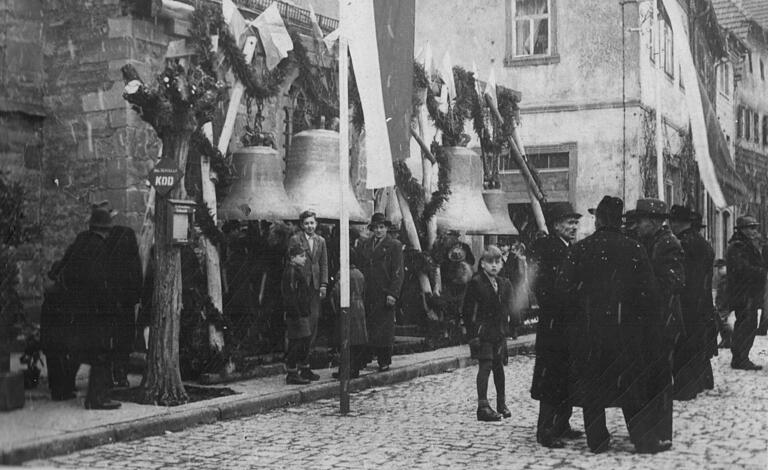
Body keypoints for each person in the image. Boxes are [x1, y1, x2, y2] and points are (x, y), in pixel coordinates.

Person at [557, 195, 664, 454]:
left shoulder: (579, 249)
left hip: (589, 332)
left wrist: (579, 320)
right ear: (620, 221)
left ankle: (597, 440)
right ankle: (643, 439)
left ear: (598, 220)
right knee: (631, 386)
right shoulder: (635, 249)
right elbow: (650, 296)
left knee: (592, 387)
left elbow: (563, 291)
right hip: (626, 333)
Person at [529, 203, 583, 448]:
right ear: (555, 226)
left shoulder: (566, 248)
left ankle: (562, 423)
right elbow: (544, 288)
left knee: (567, 374)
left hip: (565, 324)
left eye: (575, 223)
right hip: (554, 324)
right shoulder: (550, 249)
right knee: (551, 376)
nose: (574, 227)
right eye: (569, 223)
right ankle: (546, 430)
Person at [58, 204, 121, 409]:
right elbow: (101, 282)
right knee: (102, 353)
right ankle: (97, 398)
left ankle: (63, 388)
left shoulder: (80, 242)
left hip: (76, 308)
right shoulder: (100, 248)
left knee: (77, 351)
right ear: (105, 230)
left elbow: (66, 271)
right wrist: (110, 306)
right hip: (97, 310)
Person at [633, 198, 684, 446]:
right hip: (649, 322)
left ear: (653, 221)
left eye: (640, 221)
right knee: (650, 378)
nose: (637, 226)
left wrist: (642, 289)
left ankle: (662, 433)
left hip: (663, 323)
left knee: (661, 380)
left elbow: (673, 283)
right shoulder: (650, 240)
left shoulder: (668, 244)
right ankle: (650, 429)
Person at [462, 245, 513, 422]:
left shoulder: (504, 283)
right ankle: (482, 407)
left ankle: (501, 403)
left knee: (499, 367)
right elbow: (467, 311)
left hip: (498, 332)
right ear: (482, 264)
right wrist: (472, 334)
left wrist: (510, 328)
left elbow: (508, 308)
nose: (494, 265)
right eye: (489, 262)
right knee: (486, 366)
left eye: (497, 262)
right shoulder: (476, 283)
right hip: (483, 333)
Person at [668, 205, 714, 400]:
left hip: (687, 300)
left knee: (684, 344)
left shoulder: (682, 243)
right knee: (696, 343)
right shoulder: (702, 242)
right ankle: (701, 382)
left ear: (676, 223)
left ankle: (684, 389)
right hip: (701, 300)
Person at [356, 213, 404, 372]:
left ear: (387, 229)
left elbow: (398, 272)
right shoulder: (365, 244)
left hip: (385, 292)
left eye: (381, 227)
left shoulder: (394, 245)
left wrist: (393, 293)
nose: (378, 231)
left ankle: (384, 360)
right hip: (368, 291)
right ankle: (364, 358)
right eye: (375, 228)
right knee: (367, 326)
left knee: (384, 328)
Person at [102, 206, 143, 388]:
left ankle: (112, 375)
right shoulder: (129, 248)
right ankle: (121, 374)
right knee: (124, 340)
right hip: (124, 303)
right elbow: (136, 276)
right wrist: (135, 297)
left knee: (112, 340)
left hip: (111, 301)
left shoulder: (107, 251)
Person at [287, 210, 329, 381]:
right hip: (300, 287)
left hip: (315, 287)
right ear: (301, 225)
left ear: (316, 224)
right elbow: (291, 260)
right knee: (300, 327)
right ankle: (293, 367)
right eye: (306, 223)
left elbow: (323, 263)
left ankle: (306, 365)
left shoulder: (321, 241)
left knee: (313, 324)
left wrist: (324, 284)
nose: (310, 226)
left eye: (312, 223)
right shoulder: (295, 239)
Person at [726, 215, 766, 370]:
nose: (754, 231)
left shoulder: (745, 244)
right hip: (743, 293)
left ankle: (741, 357)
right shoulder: (738, 246)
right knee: (746, 325)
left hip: (748, 293)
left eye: (755, 227)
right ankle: (740, 358)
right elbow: (743, 269)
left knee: (748, 325)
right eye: (751, 228)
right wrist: (763, 272)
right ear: (742, 230)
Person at [40, 260, 78, 400]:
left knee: (54, 361)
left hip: (51, 335)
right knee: (59, 361)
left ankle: (58, 389)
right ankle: (61, 391)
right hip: (56, 335)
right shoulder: (59, 293)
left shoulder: (52, 292)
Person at [331, 247, 368, 380]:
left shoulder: (343, 273)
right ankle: (355, 369)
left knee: (346, 339)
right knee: (357, 340)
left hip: (347, 307)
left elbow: (336, 292)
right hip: (359, 307)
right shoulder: (359, 273)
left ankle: (345, 370)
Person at [282, 244, 313, 385]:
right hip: (296, 313)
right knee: (299, 342)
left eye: (304, 256)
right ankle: (292, 372)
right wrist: (296, 313)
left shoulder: (296, 270)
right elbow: (290, 295)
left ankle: (304, 368)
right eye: (301, 256)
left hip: (301, 311)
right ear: (292, 258)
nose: (304, 259)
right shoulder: (291, 272)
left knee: (304, 341)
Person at [713, 259, 732, 348]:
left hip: (723, 305)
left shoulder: (726, 280)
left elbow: (724, 295)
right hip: (721, 304)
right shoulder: (723, 279)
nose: (719, 271)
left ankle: (727, 340)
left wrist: (721, 305)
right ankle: (725, 340)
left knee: (724, 324)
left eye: (721, 268)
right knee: (721, 323)